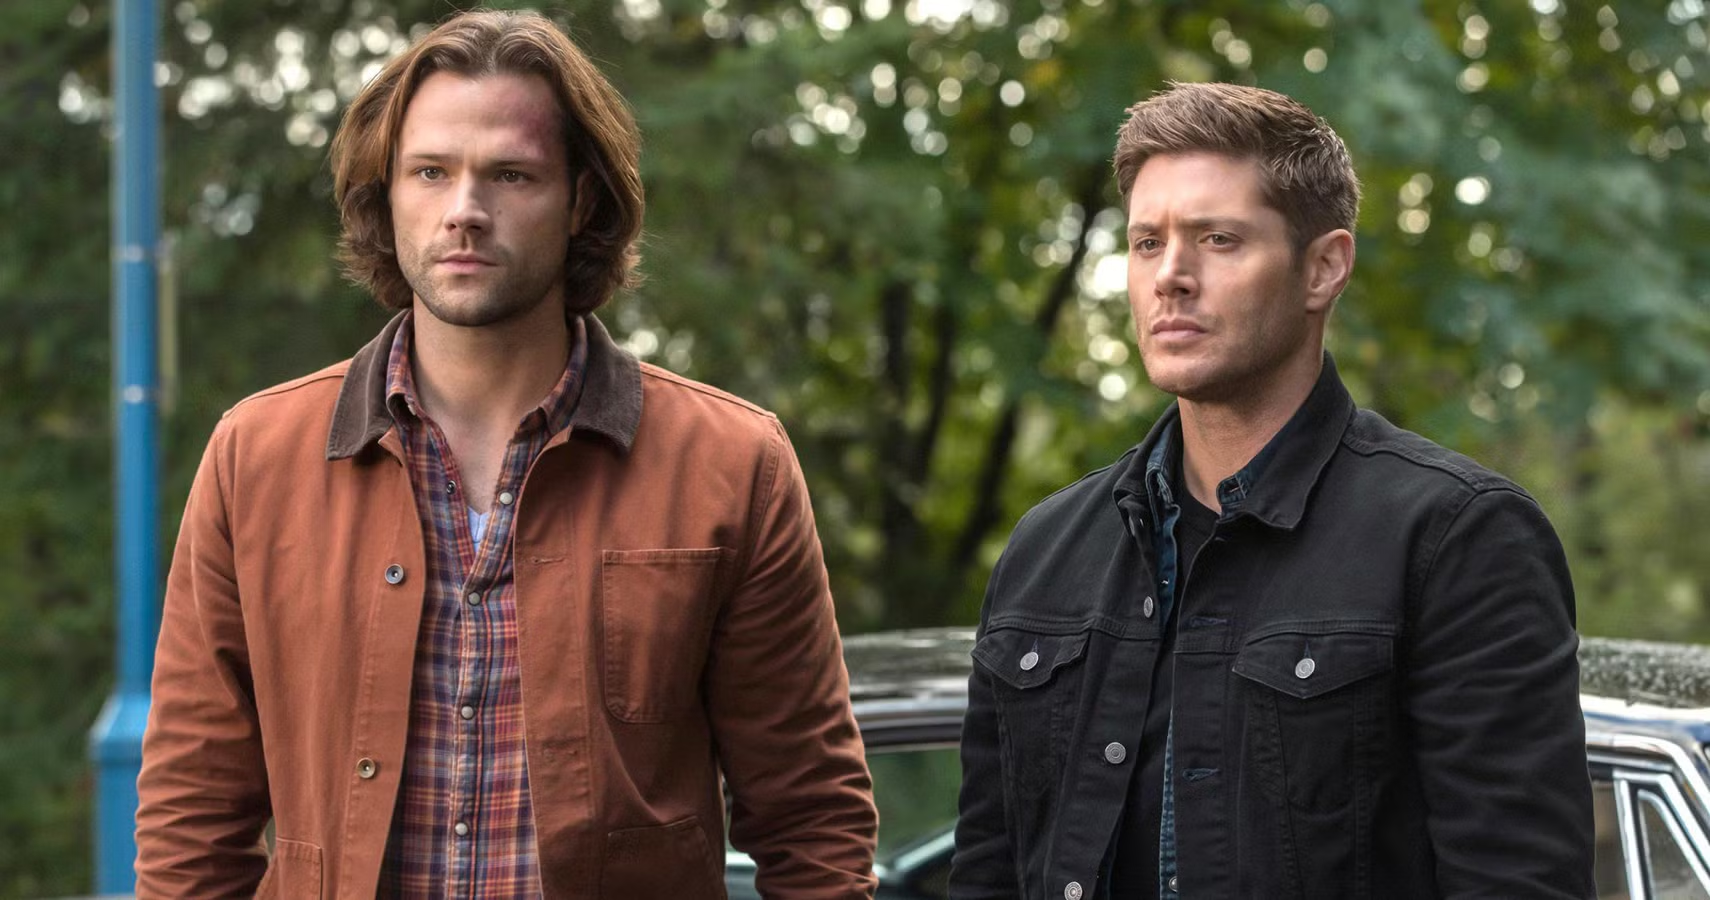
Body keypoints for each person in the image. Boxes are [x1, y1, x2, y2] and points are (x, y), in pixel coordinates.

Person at [135, 10, 877, 897]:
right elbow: (192, 820)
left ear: (582, 201)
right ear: (386, 195)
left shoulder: (731, 464)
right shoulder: (256, 460)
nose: (464, 211)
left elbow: (812, 820)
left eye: (511, 174)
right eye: (430, 172)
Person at [949, 82, 1593, 898]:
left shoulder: (1458, 539)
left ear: (1323, 267)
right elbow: (987, 873)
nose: (1171, 277)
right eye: (1146, 243)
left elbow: (1518, 882)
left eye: (1218, 239)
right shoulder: (1044, 551)